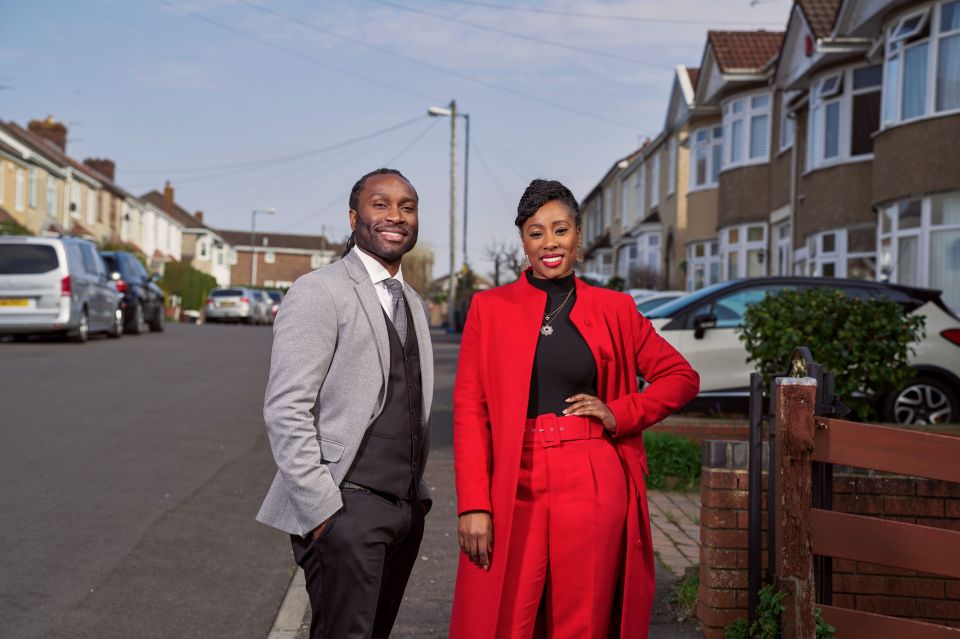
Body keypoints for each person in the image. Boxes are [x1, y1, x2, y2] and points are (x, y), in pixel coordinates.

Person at [450, 179, 699, 638]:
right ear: (523, 241)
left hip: (589, 475)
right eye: (535, 231)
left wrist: (620, 413)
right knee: (505, 618)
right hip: (511, 480)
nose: (549, 243)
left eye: (560, 230)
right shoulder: (488, 308)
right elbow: (470, 412)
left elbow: (681, 378)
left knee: (581, 622)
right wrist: (473, 505)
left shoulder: (616, 308)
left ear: (578, 236)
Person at [257, 168, 434, 639]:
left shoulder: (412, 301)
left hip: (403, 510)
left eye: (407, 206)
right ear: (354, 216)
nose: (395, 215)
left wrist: (416, 501)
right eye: (381, 204)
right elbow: (285, 408)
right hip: (345, 510)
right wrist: (322, 513)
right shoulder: (320, 291)